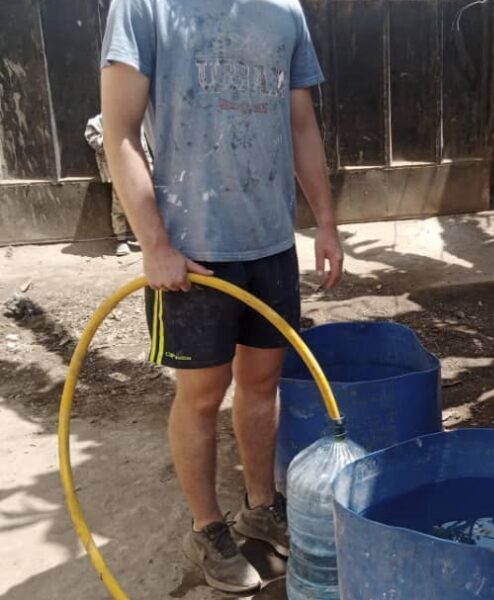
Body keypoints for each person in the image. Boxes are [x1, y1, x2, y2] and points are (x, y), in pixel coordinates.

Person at [100, 0, 344, 593]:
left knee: (262, 385)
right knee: (202, 394)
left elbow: (301, 124)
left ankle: (261, 506)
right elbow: (120, 131)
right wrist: (153, 243)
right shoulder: (146, 7)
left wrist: (326, 223)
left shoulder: (286, 10)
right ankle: (207, 529)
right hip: (192, 253)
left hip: (270, 243)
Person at [84, 114, 151, 256]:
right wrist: (110, 138)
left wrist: (149, 167)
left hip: (138, 169)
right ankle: (122, 239)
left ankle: (146, 238)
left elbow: (144, 145)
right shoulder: (98, 122)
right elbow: (92, 137)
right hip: (118, 170)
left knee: (145, 204)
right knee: (119, 205)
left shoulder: (137, 121)